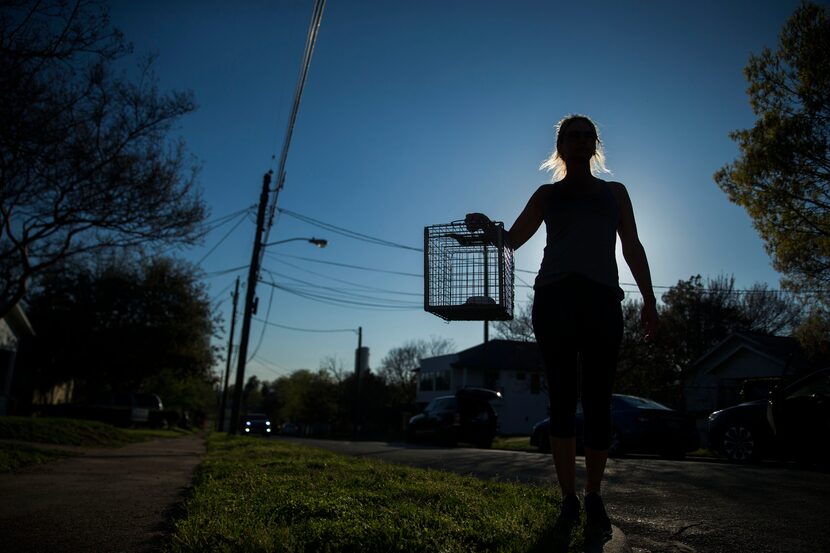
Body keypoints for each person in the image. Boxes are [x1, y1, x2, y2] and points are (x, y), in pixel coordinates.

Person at [466, 114, 658, 537]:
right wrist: (486, 229)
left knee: (597, 401)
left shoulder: (615, 193)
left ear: (595, 145)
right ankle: (568, 498)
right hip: (554, 299)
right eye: (572, 135)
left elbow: (632, 247)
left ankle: (593, 495)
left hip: (603, 300)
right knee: (561, 400)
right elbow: (512, 241)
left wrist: (648, 299)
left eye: (588, 135)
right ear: (561, 145)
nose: (581, 140)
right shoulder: (547, 195)